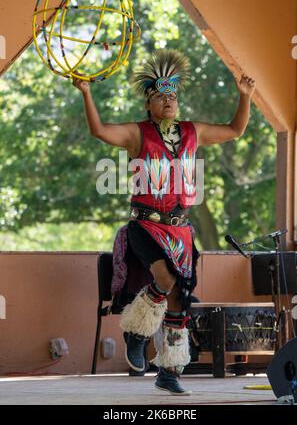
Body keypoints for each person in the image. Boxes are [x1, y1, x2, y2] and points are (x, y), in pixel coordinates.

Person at [73, 49, 256, 395]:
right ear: (149, 105)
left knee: (179, 298)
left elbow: (235, 129)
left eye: (172, 95)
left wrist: (244, 95)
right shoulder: (137, 133)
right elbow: (98, 130)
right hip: (145, 225)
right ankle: (137, 332)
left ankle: (168, 371)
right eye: (160, 96)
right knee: (165, 278)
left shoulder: (192, 131)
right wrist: (86, 92)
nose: (169, 100)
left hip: (181, 228)